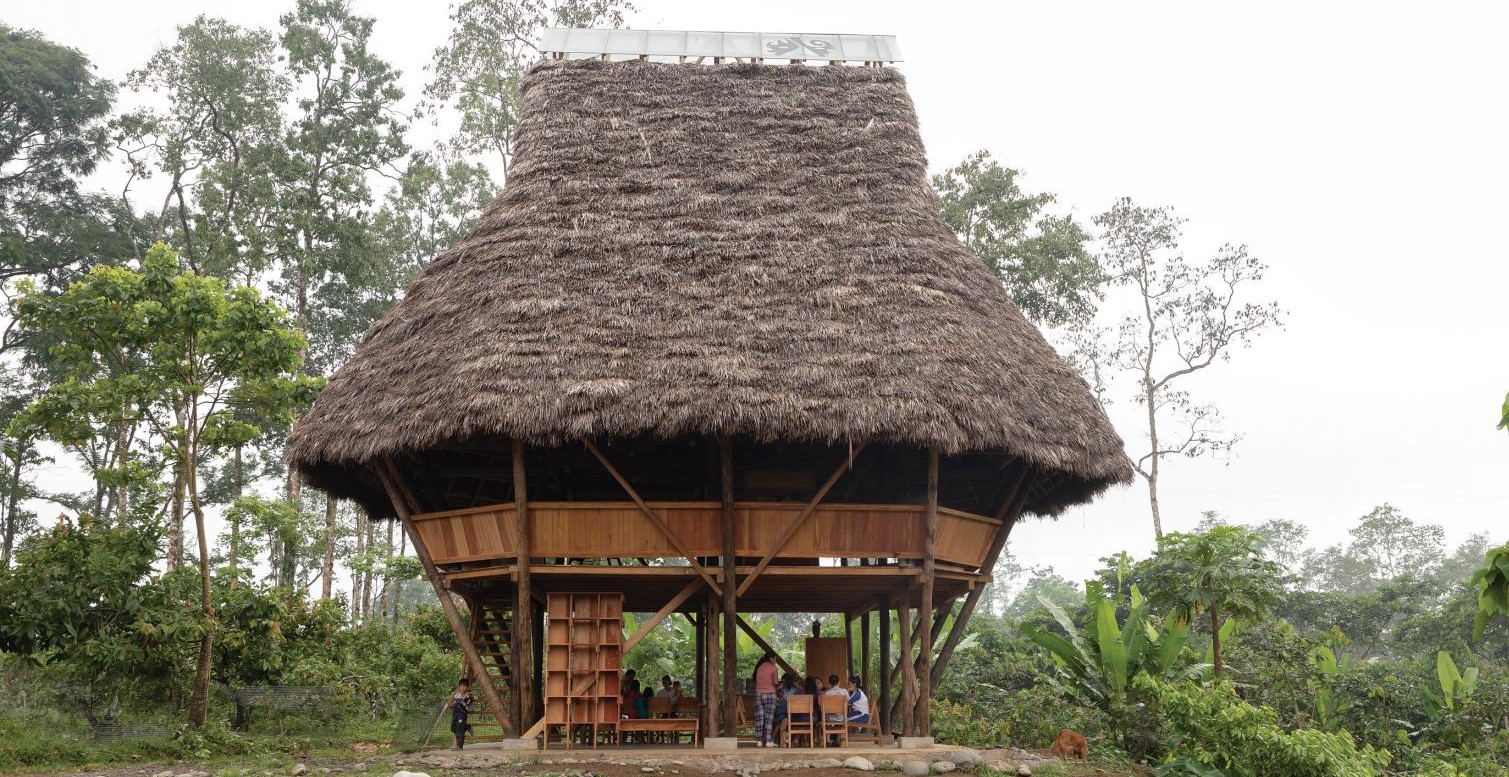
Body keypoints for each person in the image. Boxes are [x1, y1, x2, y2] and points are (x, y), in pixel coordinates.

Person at [752, 651, 779, 747]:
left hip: (759, 694)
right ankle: (768, 741)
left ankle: (759, 741)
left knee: (759, 718)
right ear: (771, 658)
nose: (776, 661)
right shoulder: (773, 668)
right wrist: (779, 685)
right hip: (770, 694)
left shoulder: (759, 667)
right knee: (769, 718)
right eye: (775, 658)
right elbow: (775, 682)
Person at [443, 677, 472, 750]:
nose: (463, 688)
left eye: (464, 686)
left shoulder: (469, 695)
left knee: (459, 729)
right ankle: (466, 726)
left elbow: (466, 704)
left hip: (462, 715)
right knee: (454, 728)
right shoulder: (456, 695)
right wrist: (452, 704)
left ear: (467, 687)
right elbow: (449, 702)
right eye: (461, 686)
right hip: (455, 714)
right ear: (459, 687)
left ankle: (459, 746)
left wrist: (462, 695)